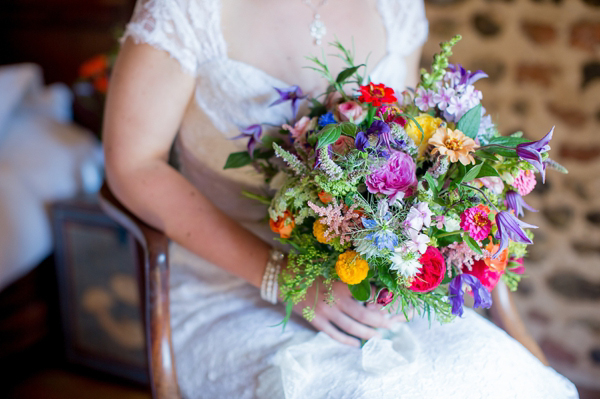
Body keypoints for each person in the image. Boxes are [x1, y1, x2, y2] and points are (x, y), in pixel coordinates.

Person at [103, 0, 579, 397]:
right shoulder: (187, 10)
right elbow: (133, 165)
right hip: (229, 286)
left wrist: (405, 264)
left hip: (369, 282)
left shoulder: (395, 7)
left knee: (510, 383)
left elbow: (408, 136)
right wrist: (280, 277)